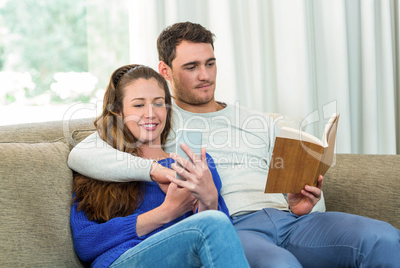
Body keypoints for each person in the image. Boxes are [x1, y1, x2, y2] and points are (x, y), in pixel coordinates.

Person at [68, 23, 400, 267]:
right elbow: (83, 154)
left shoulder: (262, 121)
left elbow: (295, 175)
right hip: (237, 227)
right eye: (192, 66)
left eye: (210, 63)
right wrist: (157, 174)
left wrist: (303, 203)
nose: (205, 75)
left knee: (383, 238)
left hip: (291, 218)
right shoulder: (163, 125)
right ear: (166, 71)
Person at [70, 64, 250, 268]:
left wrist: (210, 201)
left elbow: (221, 245)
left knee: (215, 223)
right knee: (212, 224)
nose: (151, 114)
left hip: (185, 260)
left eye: (158, 103)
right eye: (138, 105)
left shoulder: (195, 163)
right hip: (121, 260)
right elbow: (85, 242)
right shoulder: (99, 163)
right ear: (119, 112)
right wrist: (166, 212)